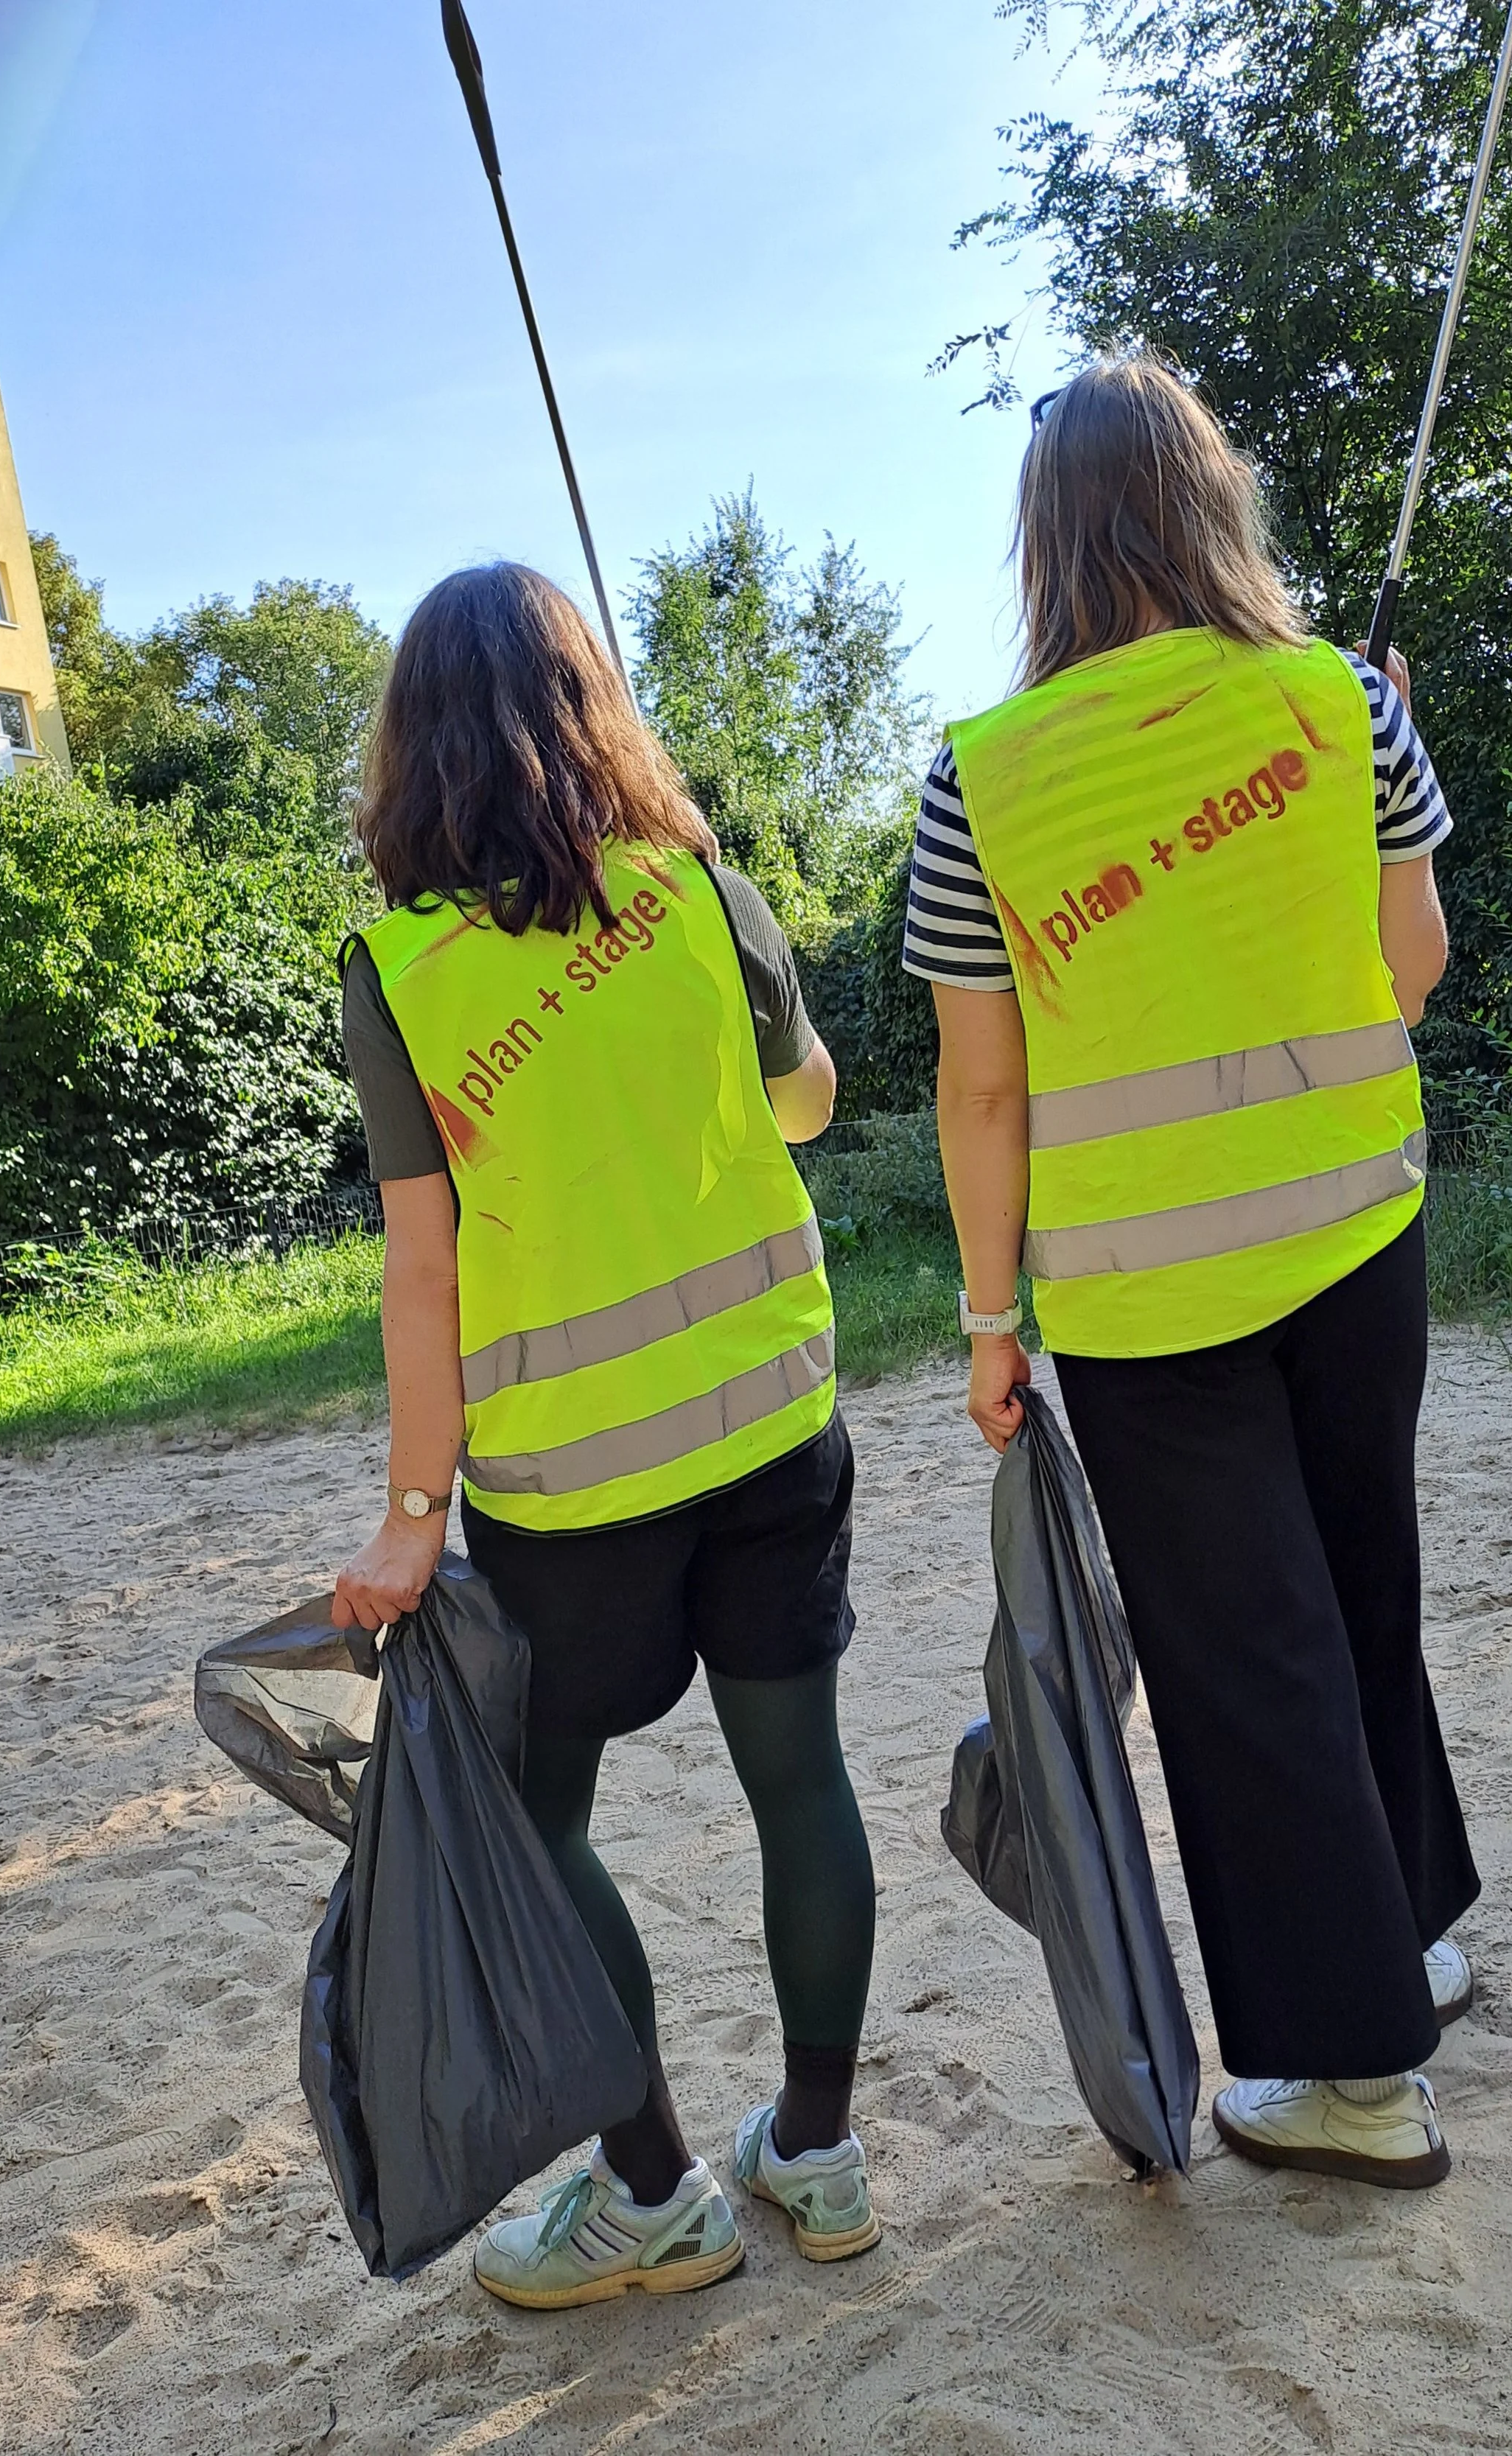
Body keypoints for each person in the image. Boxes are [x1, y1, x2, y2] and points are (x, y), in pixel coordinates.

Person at [907, 357, 1480, 2189]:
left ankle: (1349, 2071)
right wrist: (1369, 759)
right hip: (1353, 1239)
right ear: (1207, 502)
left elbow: (981, 1086)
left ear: (1045, 543)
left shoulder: (977, 783)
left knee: (1249, 1664)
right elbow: (1409, 973)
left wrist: (990, 1322)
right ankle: (1407, 1938)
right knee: (1357, 1594)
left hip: (1148, 1303)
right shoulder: (1338, 709)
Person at [330, 562, 881, 2306]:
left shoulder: (401, 970)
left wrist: (415, 1513)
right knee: (799, 1777)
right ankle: (815, 2148)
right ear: (592, 712)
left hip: (571, 1488)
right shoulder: (697, 888)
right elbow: (806, 1104)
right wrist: (736, 947)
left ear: (413, 750)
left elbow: (425, 1274)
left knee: (534, 1816)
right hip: (774, 1422)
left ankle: (651, 2192)